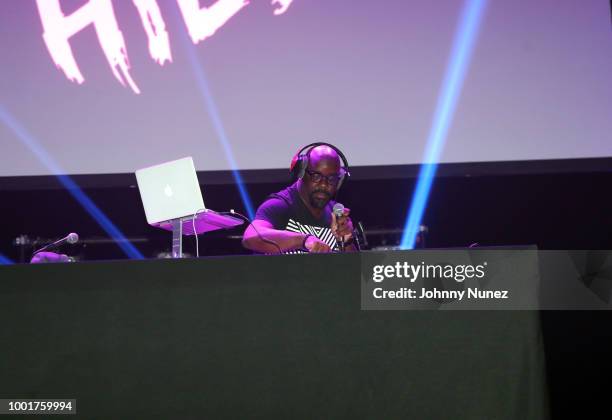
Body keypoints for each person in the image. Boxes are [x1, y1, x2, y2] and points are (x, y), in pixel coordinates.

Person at [242, 143, 357, 253]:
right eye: (316, 176)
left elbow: (355, 269)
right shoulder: (279, 205)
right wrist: (304, 240)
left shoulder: (336, 215)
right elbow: (251, 237)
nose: (324, 184)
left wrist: (346, 242)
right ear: (301, 172)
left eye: (331, 179)